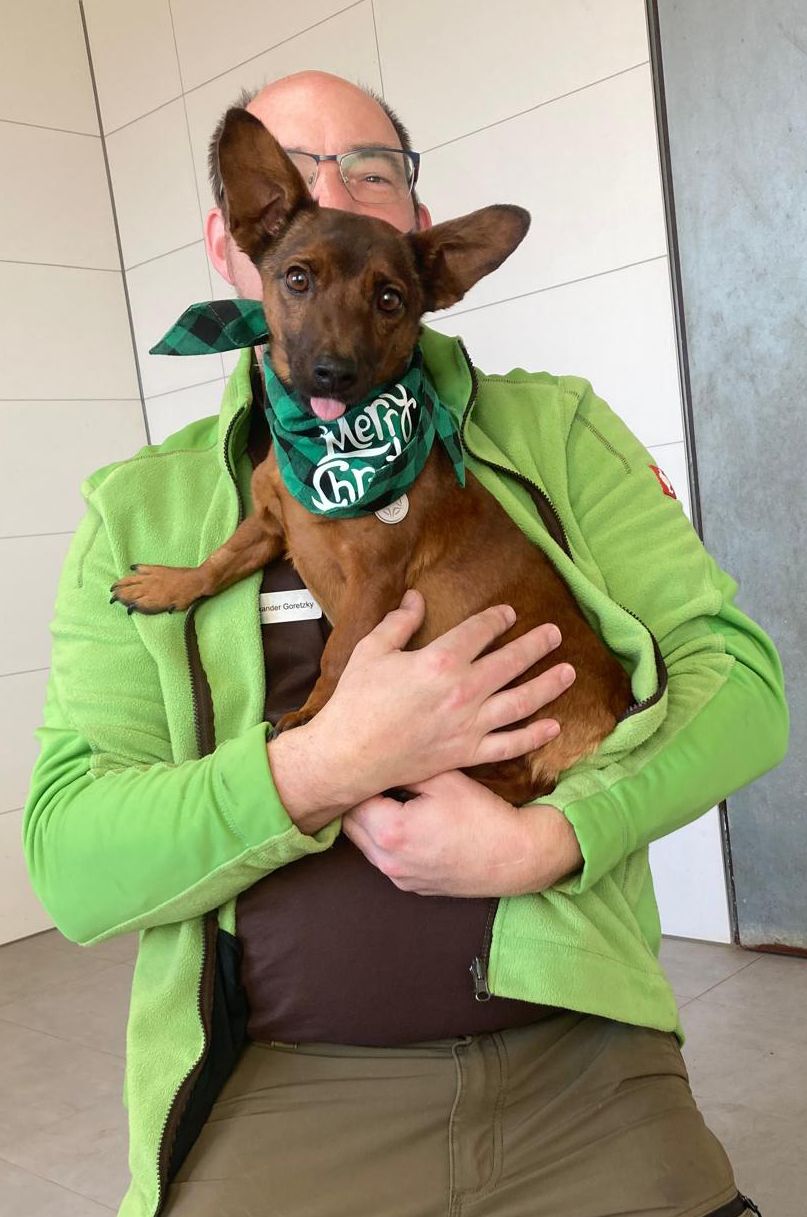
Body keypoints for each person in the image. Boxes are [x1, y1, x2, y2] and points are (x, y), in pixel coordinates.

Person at [23, 71, 786, 1217]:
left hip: (574, 1050)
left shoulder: (555, 428)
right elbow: (73, 862)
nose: (332, 199)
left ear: (428, 249)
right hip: (278, 1082)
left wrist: (547, 839)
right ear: (240, 242)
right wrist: (326, 761)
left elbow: (747, 692)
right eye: (297, 183)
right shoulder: (135, 510)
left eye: (369, 171)